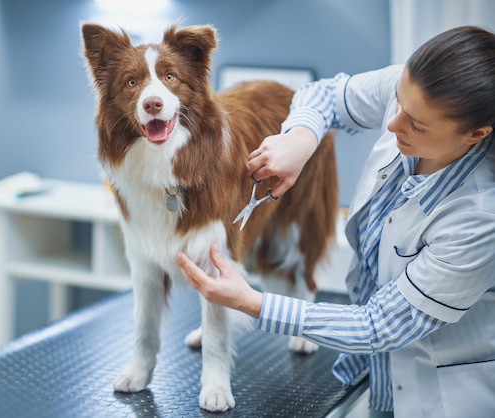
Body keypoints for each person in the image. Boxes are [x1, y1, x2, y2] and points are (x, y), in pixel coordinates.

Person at [176, 26, 495, 418]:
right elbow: (327, 95)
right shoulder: (413, 90)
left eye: (418, 126)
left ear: (476, 134)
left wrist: (252, 302)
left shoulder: (479, 218)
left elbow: (379, 326)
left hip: (440, 400)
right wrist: (301, 138)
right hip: (373, 378)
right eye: (397, 103)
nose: (393, 125)